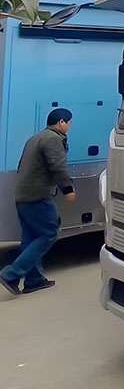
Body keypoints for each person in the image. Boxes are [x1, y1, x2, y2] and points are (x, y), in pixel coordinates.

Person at [0, 108, 75, 296]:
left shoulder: (35, 138)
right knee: (49, 233)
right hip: (38, 195)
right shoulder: (53, 139)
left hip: (23, 195)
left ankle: (33, 280)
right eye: (69, 123)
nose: (69, 127)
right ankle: (11, 273)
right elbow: (57, 165)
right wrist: (67, 188)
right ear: (61, 123)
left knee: (31, 238)